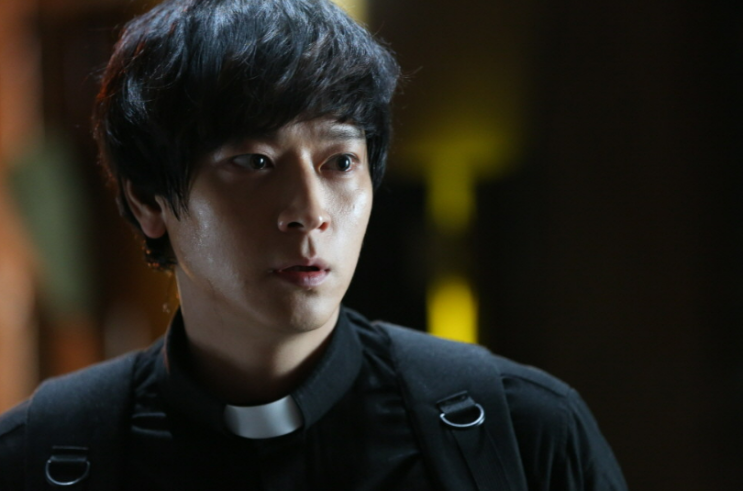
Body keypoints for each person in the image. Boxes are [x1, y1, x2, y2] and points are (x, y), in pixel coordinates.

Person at [0, 0, 628, 489]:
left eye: (340, 162)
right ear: (149, 200)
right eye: (254, 161)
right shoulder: (39, 456)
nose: (309, 212)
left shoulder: (521, 432)